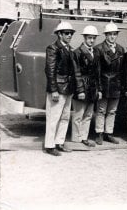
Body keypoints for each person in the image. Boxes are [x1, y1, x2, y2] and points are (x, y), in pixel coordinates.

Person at [44, 21, 82, 156]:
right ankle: (49, 145)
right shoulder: (53, 49)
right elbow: (50, 71)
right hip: (58, 89)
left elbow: (76, 71)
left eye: (71, 33)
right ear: (59, 34)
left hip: (68, 89)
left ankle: (59, 143)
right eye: (67, 33)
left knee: (65, 117)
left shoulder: (70, 49)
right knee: (53, 118)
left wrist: (78, 89)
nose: (70, 35)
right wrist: (53, 90)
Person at [94, 21, 125, 145]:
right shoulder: (99, 49)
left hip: (116, 85)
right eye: (110, 34)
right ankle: (99, 133)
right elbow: (97, 71)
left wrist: (121, 86)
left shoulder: (120, 49)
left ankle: (109, 133)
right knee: (101, 110)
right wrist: (99, 88)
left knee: (112, 111)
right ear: (105, 35)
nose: (112, 37)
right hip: (104, 84)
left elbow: (122, 70)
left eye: (114, 34)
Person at [71, 25, 102, 147]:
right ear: (84, 38)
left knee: (88, 114)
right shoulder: (77, 53)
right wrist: (80, 90)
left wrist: (99, 89)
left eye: (94, 38)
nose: (92, 40)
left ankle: (84, 137)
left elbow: (98, 72)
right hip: (82, 87)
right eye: (89, 38)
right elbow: (76, 73)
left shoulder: (97, 52)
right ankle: (76, 139)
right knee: (78, 114)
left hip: (92, 88)